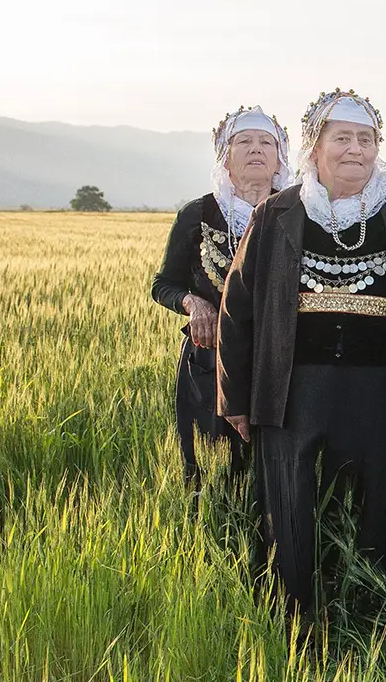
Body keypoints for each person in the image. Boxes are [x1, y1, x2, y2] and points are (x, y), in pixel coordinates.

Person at [216, 88, 386, 613]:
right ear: (315, 147)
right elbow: (237, 309)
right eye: (342, 138)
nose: (356, 149)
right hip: (294, 391)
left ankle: (377, 614)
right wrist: (235, 398)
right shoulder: (277, 213)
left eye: (366, 139)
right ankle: (298, 617)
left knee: (381, 505)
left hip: (382, 391)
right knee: (295, 507)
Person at [151, 105, 291, 486]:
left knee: (275, 478)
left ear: (280, 158)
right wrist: (193, 302)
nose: (256, 149)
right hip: (209, 364)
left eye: (266, 142)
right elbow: (163, 284)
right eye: (244, 141)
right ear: (225, 157)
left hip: (278, 364)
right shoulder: (198, 214)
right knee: (209, 477)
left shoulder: (296, 213)